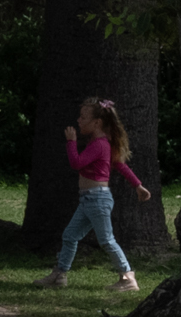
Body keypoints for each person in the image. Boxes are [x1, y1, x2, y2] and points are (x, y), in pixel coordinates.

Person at [45, 97, 148, 292]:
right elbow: (120, 165)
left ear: (97, 122)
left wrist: (71, 142)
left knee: (107, 240)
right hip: (89, 199)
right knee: (70, 235)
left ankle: (127, 278)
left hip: (97, 199)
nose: (79, 120)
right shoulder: (101, 144)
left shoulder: (99, 145)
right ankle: (59, 275)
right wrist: (138, 185)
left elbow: (76, 163)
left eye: (83, 117)